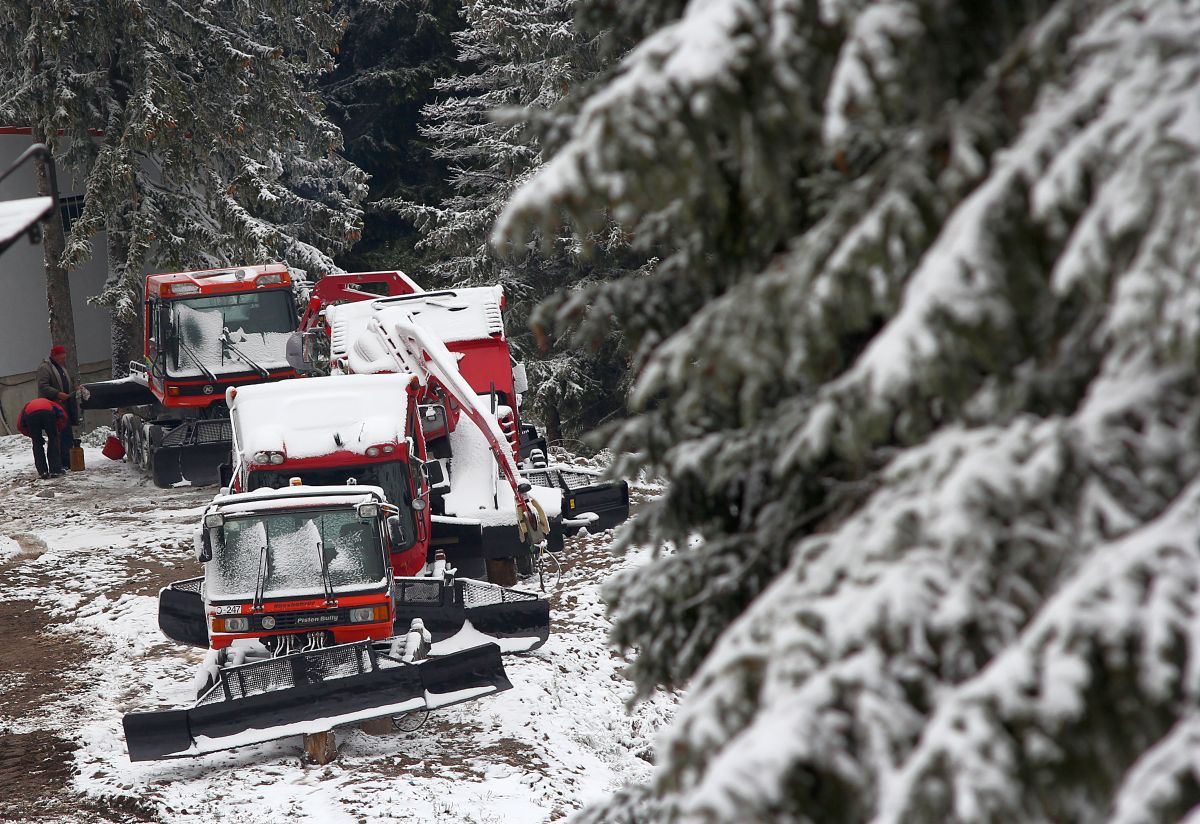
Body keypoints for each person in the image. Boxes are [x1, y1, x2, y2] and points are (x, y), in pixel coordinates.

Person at [37, 345, 78, 465]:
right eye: (61, 358)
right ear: (54, 356)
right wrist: (57, 394)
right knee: (58, 435)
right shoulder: (45, 368)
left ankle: (67, 460)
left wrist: (74, 387)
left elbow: (69, 380)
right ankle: (60, 462)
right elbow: (43, 386)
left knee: (67, 434)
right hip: (53, 406)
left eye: (64, 358)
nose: (63, 360)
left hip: (65, 406)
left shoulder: (62, 367)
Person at [17, 397, 68, 479]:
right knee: (53, 440)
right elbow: (63, 416)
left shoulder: (26, 406)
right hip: (48, 413)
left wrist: (33, 436)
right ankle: (55, 470)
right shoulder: (51, 403)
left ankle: (43, 472)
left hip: (31, 415)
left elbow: (20, 426)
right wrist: (58, 429)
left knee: (37, 444)